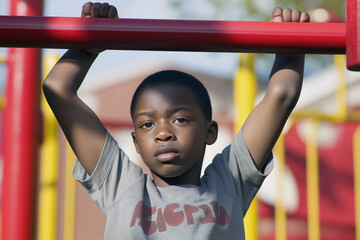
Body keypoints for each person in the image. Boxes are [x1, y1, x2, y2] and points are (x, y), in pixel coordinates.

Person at [43, 2, 310, 239]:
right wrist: (87, 48)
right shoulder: (122, 186)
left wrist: (291, 43)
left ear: (210, 132)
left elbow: (281, 95)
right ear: (136, 142)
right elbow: (57, 87)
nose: (163, 133)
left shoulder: (228, 181)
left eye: (180, 119)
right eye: (147, 124)